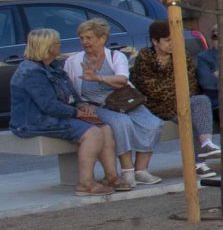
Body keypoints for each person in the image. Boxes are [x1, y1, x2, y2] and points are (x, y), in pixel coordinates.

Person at [10, 28, 118, 194]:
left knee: (105, 127)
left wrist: (82, 106)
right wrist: (78, 114)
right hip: (32, 122)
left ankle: (112, 177)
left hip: (53, 115)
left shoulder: (53, 66)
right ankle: (85, 183)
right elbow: (49, 106)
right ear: (49, 47)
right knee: (93, 133)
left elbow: (72, 96)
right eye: (57, 43)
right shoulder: (31, 72)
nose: (60, 46)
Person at [66, 18, 160, 188]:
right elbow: (69, 89)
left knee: (153, 124)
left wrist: (98, 78)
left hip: (123, 101)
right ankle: (127, 171)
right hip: (96, 105)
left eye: (89, 38)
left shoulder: (116, 56)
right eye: (82, 38)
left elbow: (122, 80)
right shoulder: (73, 62)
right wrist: (79, 104)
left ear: (102, 39)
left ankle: (141, 170)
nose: (85, 42)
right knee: (121, 123)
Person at [130, 18, 216, 162]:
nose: (173, 44)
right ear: (155, 41)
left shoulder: (181, 54)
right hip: (156, 105)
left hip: (181, 100)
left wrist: (175, 91)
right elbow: (151, 89)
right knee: (190, 115)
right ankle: (198, 164)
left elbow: (190, 82)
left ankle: (206, 144)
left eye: (175, 39)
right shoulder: (145, 57)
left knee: (201, 101)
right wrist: (176, 90)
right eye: (168, 40)